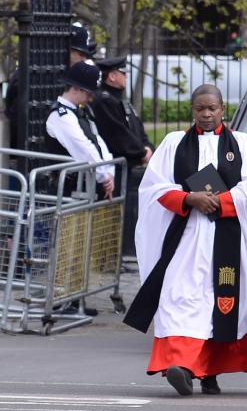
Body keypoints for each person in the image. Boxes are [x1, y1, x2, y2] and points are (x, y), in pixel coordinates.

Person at [123, 84, 247, 397]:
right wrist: (190, 199)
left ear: (222, 109)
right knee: (179, 299)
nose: (205, 114)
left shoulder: (243, 144)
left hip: (226, 236)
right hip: (185, 239)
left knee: (220, 303)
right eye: (199, 108)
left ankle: (210, 372)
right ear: (192, 109)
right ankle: (182, 367)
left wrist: (220, 202)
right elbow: (154, 187)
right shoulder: (175, 143)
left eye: (211, 108)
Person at [90, 56, 153, 257]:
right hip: (116, 165)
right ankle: (110, 257)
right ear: (112, 76)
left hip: (128, 164)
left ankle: (120, 254)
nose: (126, 77)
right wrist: (140, 151)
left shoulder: (119, 100)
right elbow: (116, 133)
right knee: (114, 215)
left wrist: (146, 146)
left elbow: (136, 127)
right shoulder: (104, 100)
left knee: (126, 214)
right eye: (122, 73)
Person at [5, 21, 96, 149]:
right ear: (65, 50)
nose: (83, 60)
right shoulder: (34, 73)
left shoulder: (60, 74)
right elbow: (21, 120)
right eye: (80, 54)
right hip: (27, 150)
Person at [44, 61, 115, 201]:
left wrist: (108, 170)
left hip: (84, 185)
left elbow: (97, 140)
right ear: (75, 88)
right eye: (88, 93)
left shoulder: (79, 112)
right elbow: (83, 148)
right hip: (68, 191)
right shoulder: (61, 116)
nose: (90, 98)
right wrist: (103, 175)